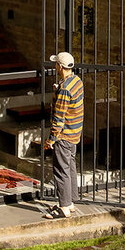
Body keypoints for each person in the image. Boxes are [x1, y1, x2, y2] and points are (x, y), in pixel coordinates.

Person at [46, 51, 84, 219]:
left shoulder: (65, 90)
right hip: (75, 133)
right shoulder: (76, 81)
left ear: (59, 67)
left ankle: (63, 208)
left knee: (61, 171)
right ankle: (70, 202)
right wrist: (58, 90)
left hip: (64, 136)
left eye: (56, 64)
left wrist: (51, 139)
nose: (55, 66)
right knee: (70, 167)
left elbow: (59, 118)